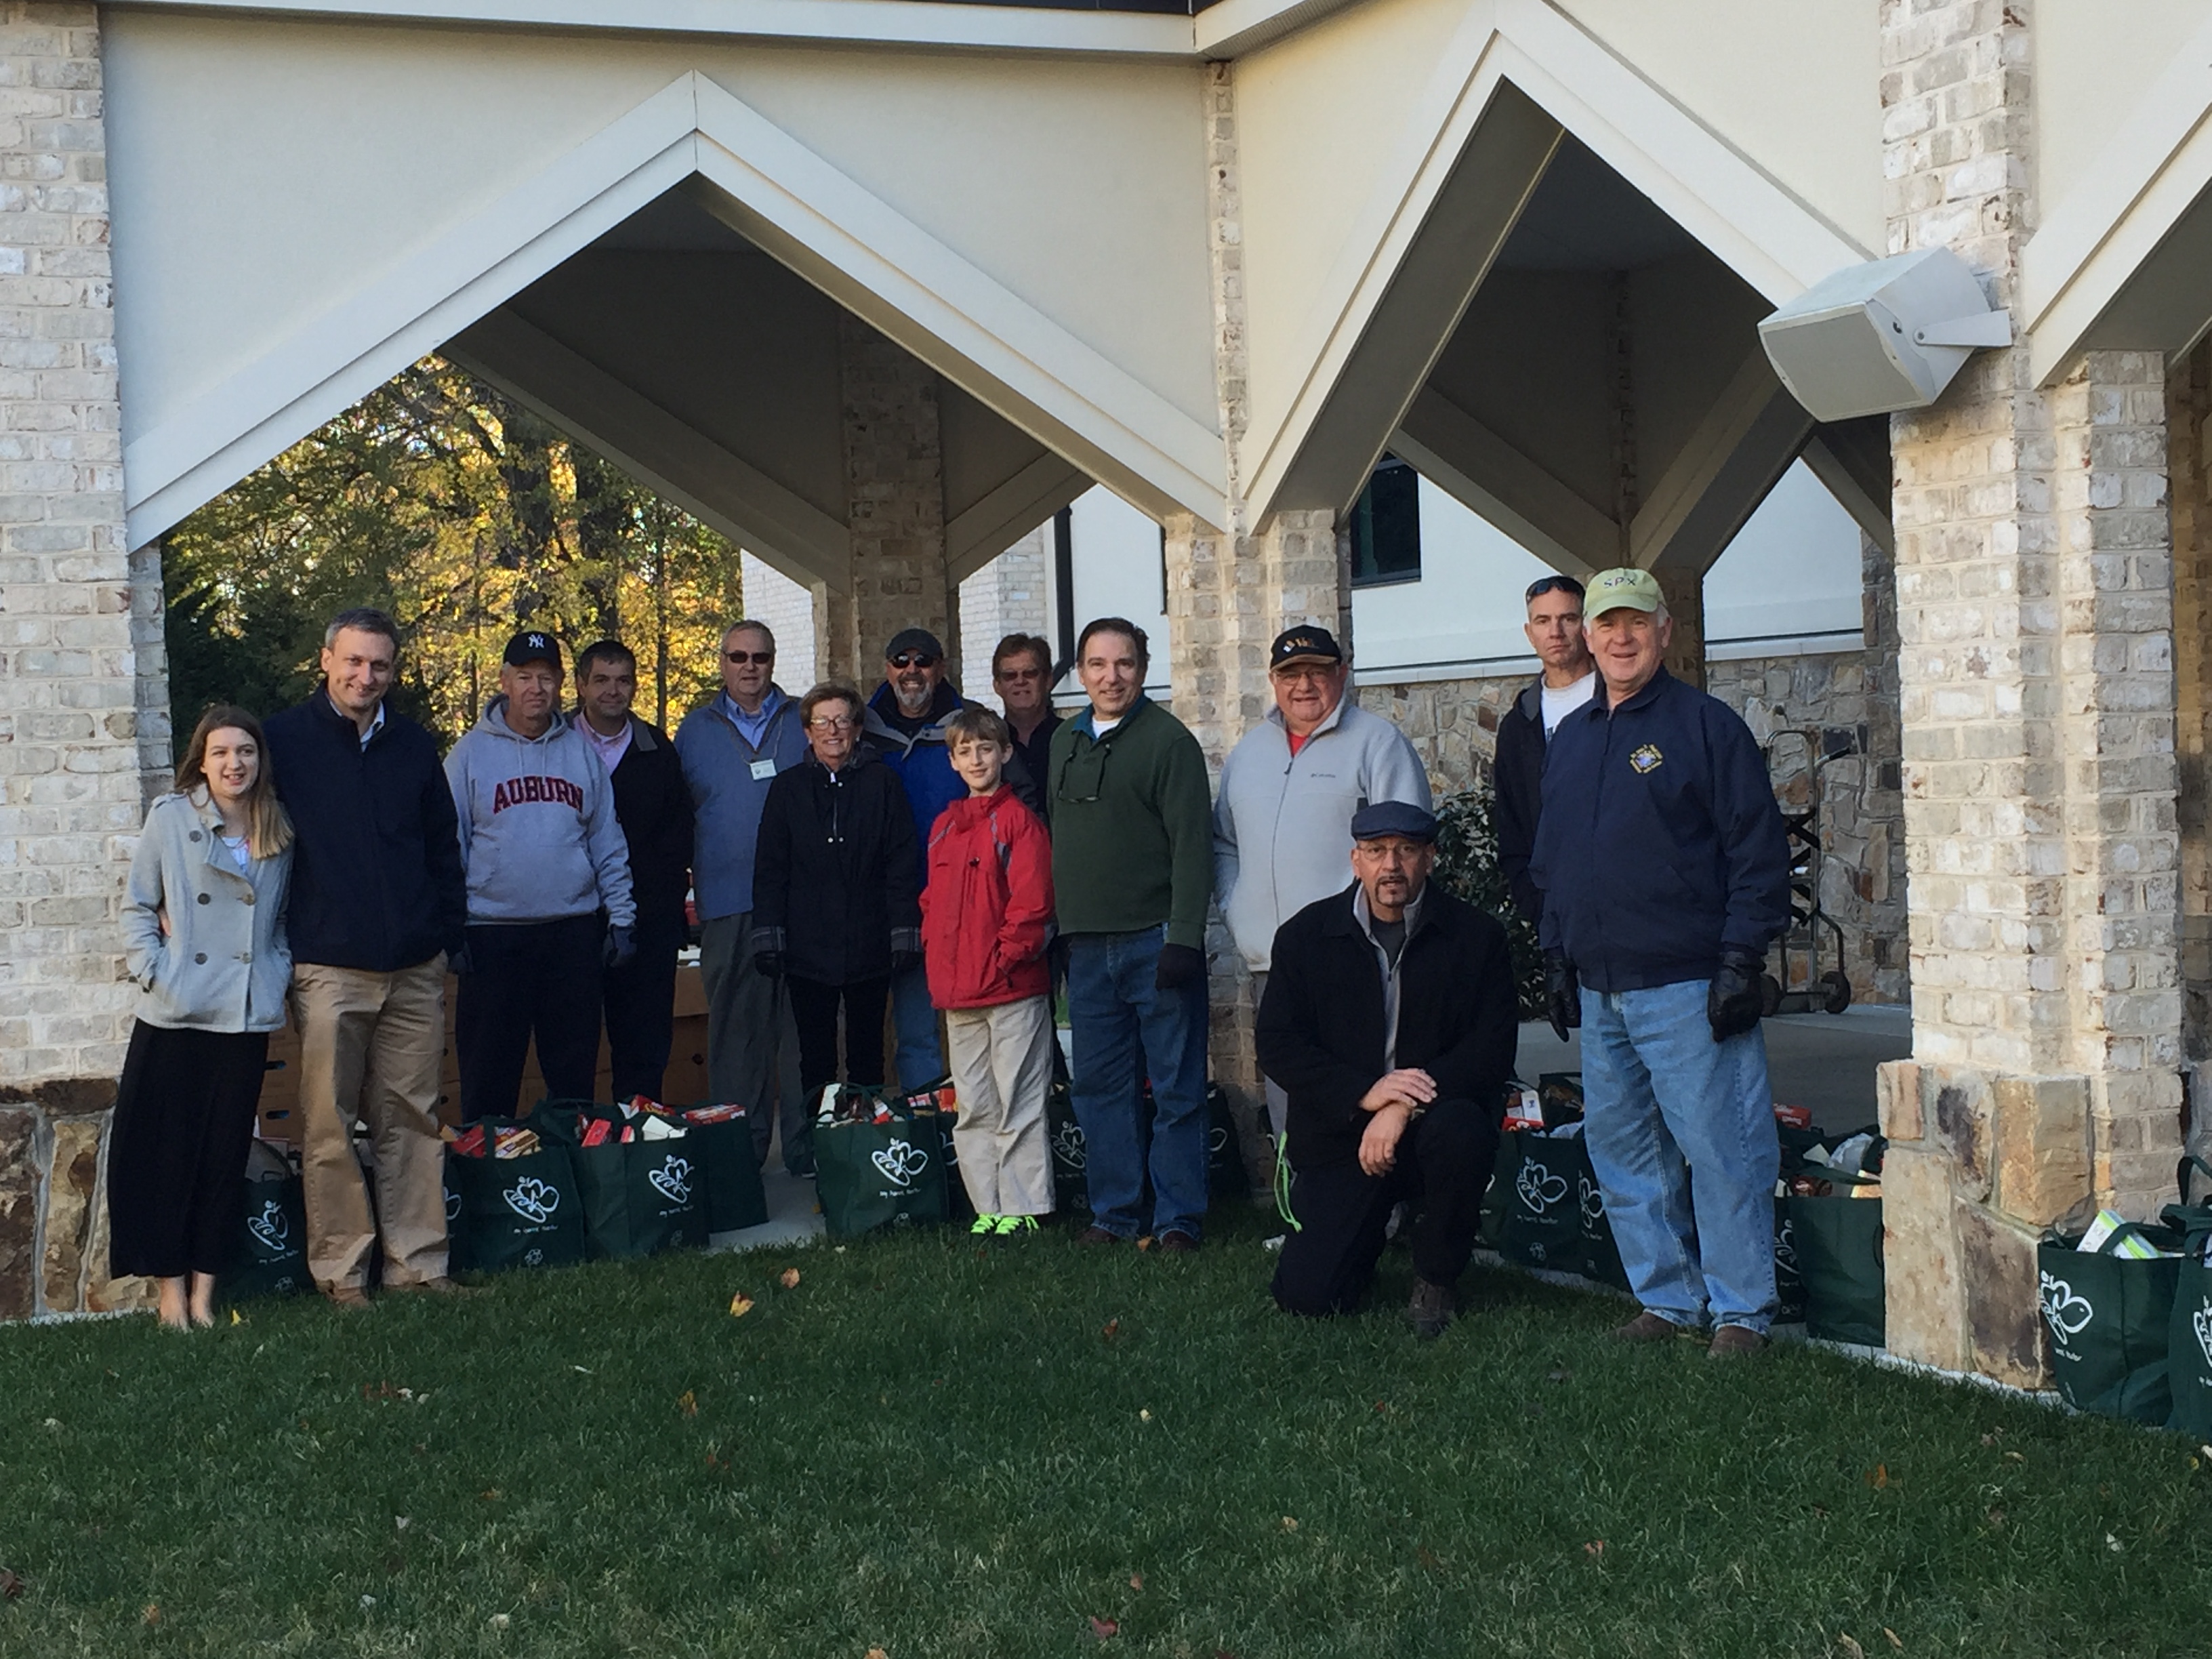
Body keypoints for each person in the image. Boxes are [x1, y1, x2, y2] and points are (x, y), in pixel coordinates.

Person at [1530, 567, 1791, 1358]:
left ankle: (1742, 1312)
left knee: (1723, 1150)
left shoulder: (1706, 728)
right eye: (1607, 624)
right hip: (1602, 988)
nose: (1621, 638)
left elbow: (1757, 850)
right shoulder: (1574, 738)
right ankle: (1668, 1300)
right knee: (1626, 1152)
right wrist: (1556, 952)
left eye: (1637, 623)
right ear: (1587, 635)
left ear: (1664, 632)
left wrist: (1741, 958)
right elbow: (1556, 859)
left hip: (1689, 984)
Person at [265, 607, 467, 1307]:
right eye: (353, 661)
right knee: (329, 1123)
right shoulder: (283, 742)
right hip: (328, 965)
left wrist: (446, 937)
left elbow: (443, 847)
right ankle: (343, 1272)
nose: (365, 676)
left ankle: (419, 1265)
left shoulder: (411, 745)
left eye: (379, 664)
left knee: (411, 1118)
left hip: (413, 965)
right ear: (326, 660)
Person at [1259, 802, 1517, 1336]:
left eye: (1406, 850)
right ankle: (1360, 1241)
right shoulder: (1305, 937)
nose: (1391, 865)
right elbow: (1279, 1044)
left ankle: (1437, 1276)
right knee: (1309, 1298)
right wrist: (1365, 1094)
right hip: (1343, 1133)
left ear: (1430, 858)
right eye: (1376, 851)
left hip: (1435, 1124)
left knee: (1462, 1131)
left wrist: (1401, 1104)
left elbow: (1490, 1051)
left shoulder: (1477, 938)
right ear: (1356, 860)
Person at [111, 707, 295, 1330]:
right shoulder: (172, 818)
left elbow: (281, 919)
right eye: (221, 752)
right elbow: (138, 905)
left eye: (245, 751)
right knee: (168, 1156)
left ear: (260, 759)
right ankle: (170, 1293)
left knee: (222, 1157)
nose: (234, 764)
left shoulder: (278, 826)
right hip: (176, 1014)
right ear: (202, 759)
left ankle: (205, 1294)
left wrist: (273, 973)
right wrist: (155, 971)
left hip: (241, 1015)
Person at [1214, 623, 1431, 1133]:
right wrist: (1237, 909)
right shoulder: (1247, 755)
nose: (1304, 685)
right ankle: (1300, 1190)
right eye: (1291, 674)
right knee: (1293, 1106)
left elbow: (1409, 849)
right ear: (1273, 680)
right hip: (1273, 962)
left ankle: (1377, 1188)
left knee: (1362, 1099)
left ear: (1342, 673)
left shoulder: (1378, 744)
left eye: (1317, 672)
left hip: (1354, 959)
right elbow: (1224, 843)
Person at [1048, 618, 1213, 1252]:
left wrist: (1185, 938)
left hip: (1156, 938)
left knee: (1175, 1088)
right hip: (1088, 947)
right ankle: (1115, 1213)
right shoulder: (1064, 741)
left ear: (1142, 669)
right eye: (1097, 664)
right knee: (1099, 1088)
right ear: (1081, 672)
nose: (1110, 677)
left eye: (1123, 664)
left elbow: (1193, 846)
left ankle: (1178, 1219)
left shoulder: (1170, 743)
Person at [445, 629, 636, 1122]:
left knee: (573, 1080)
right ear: (504, 682)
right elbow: (449, 846)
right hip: (493, 935)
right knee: (489, 1076)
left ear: (560, 685)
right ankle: (490, 1162)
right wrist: (451, 925)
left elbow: (606, 840)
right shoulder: (469, 756)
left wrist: (621, 917)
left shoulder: (579, 753)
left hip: (570, 934)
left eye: (546, 678)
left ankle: (569, 1161)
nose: (536, 688)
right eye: (525, 677)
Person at [675, 620, 812, 1171]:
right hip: (728, 902)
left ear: (773, 661)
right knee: (735, 1035)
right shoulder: (694, 731)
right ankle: (739, 1156)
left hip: (802, 901)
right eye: (738, 657)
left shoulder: (803, 720)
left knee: (804, 1032)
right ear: (722, 662)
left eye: (760, 657)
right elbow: (677, 815)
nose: (749, 667)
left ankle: (807, 1151)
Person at [750, 682, 923, 1110]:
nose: (833, 730)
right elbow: (771, 867)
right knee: (816, 1058)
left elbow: (902, 862)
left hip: (870, 939)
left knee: (868, 1053)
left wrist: (904, 928)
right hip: (807, 945)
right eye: (822, 722)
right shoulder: (788, 789)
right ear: (807, 731)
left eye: (842, 720)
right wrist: (769, 934)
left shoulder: (883, 783)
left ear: (857, 728)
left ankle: (864, 1137)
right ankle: (822, 1137)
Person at [919, 705, 1056, 1239]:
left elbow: (1033, 903)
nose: (976, 760)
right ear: (952, 761)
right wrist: (937, 956)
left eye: (985, 749)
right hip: (959, 991)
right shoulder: (944, 828)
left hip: (1011, 986)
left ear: (1004, 753)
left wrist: (1006, 958)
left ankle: (1025, 1205)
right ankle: (987, 1206)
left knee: (1019, 1098)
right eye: (965, 752)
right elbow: (932, 903)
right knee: (974, 1103)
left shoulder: (1019, 821)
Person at [575, 639, 693, 1103]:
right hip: (574, 919)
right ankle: (580, 1136)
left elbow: (678, 834)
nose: (613, 690)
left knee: (645, 1044)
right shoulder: (557, 746)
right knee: (574, 1044)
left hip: (648, 922)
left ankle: (641, 1131)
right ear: (581, 684)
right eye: (601, 680)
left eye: (623, 680)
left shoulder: (657, 750)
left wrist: (660, 910)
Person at [1494, 575, 1597, 924]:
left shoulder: (1618, 701)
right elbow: (1511, 826)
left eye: (1568, 618)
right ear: (1529, 633)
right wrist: (1535, 903)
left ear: (1586, 626)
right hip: (1556, 915)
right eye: (1543, 621)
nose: (1556, 632)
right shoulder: (1518, 725)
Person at [991, 632, 1061, 799]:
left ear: (1048, 681)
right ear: (997, 686)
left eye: (1030, 673)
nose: (1020, 681)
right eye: (1010, 676)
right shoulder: (989, 744)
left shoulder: (1071, 738)